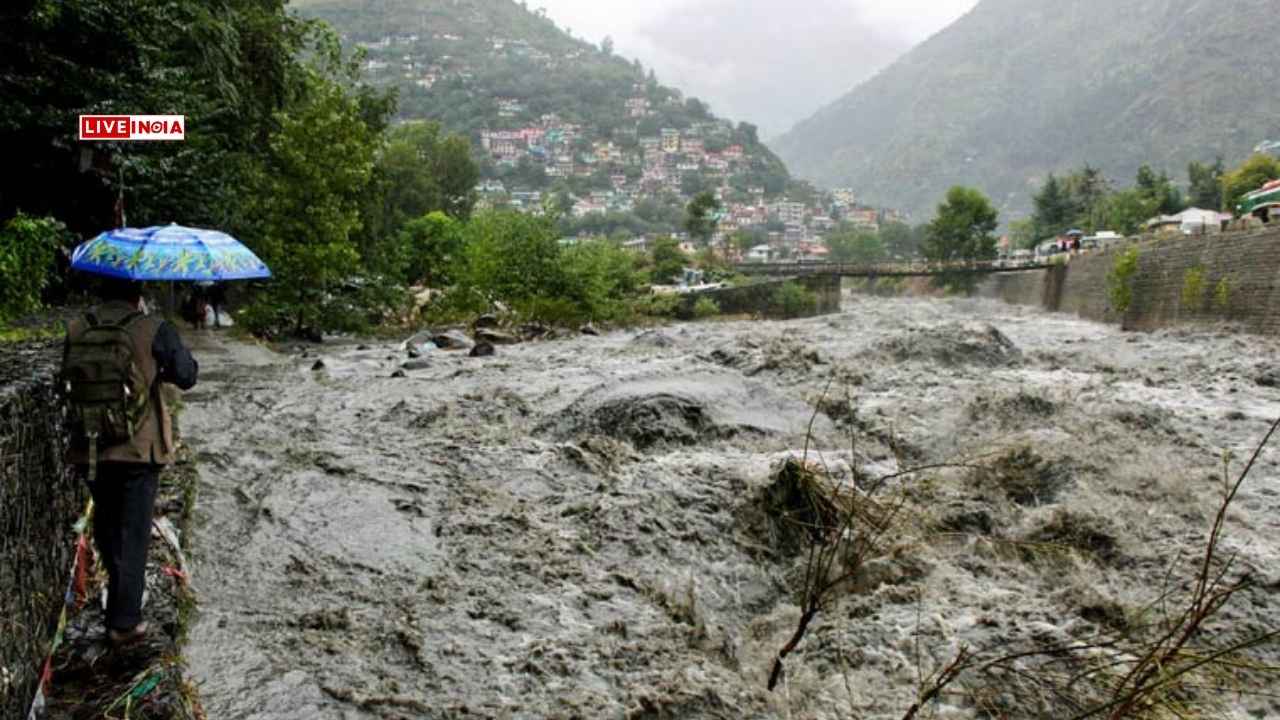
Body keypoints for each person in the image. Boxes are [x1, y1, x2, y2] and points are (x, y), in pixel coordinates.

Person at [61, 278, 198, 646]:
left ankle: (116, 608)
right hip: (139, 448)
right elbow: (187, 376)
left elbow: (68, 380)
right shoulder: (153, 328)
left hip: (89, 446)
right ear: (138, 293)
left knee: (107, 526)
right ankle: (124, 622)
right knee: (133, 532)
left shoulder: (78, 328)